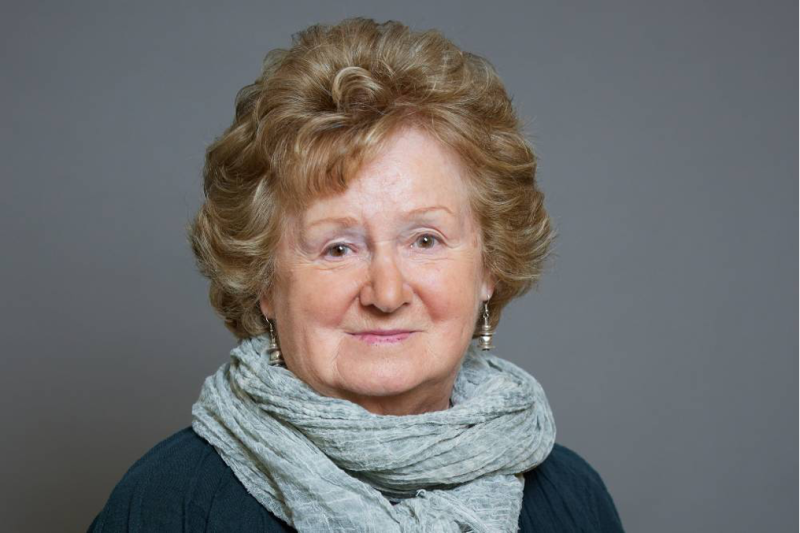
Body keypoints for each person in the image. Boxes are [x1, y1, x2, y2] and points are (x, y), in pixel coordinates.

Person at [87, 17, 624, 532]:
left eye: (425, 240)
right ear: (265, 282)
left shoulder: (572, 496)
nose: (386, 293)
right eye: (338, 248)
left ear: (490, 266)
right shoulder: (171, 502)